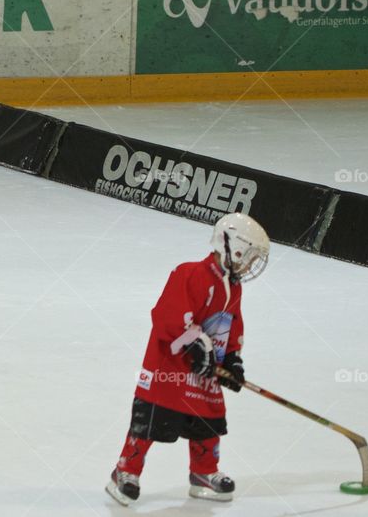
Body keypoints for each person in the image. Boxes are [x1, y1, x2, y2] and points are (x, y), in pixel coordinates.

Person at [106, 212, 270, 506]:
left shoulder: (234, 287)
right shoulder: (190, 273)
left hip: (203, 373)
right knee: (151, 421)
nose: (250, 265)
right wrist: (196, 345)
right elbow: (166, 318)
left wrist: (232, 357)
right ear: (235, 248)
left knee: (208, 422)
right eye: (251, 257)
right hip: (168, 369)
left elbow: (233, 323)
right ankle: (125, 472)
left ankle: (204, 473)